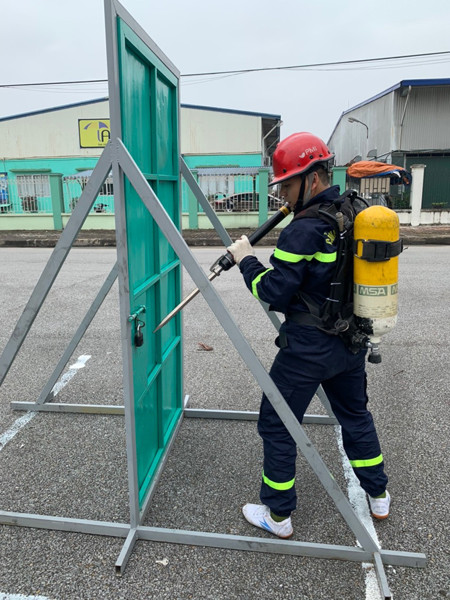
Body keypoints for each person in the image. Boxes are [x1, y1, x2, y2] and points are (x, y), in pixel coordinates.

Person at [227, 132, 390, 539]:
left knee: (277, 423)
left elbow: (273, 291)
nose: (282, 194)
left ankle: (278, 515)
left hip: (308, 348)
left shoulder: (304, 229)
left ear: (312, 179)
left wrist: (246, 261)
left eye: (287, 184)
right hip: (350, 341)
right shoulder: (353, 210)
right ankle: (379, 494)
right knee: (355, 416)